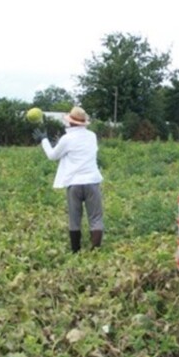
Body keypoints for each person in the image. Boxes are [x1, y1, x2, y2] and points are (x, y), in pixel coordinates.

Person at [32, 106, 104, 252]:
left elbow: (53, 156)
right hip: (92, 181)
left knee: (74, 218)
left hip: (74, 183)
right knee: (95, 218)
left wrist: (44, 140)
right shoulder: (92, 136)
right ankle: (95, 251)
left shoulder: (67, 138)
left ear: (70, 122)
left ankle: (75, 251)